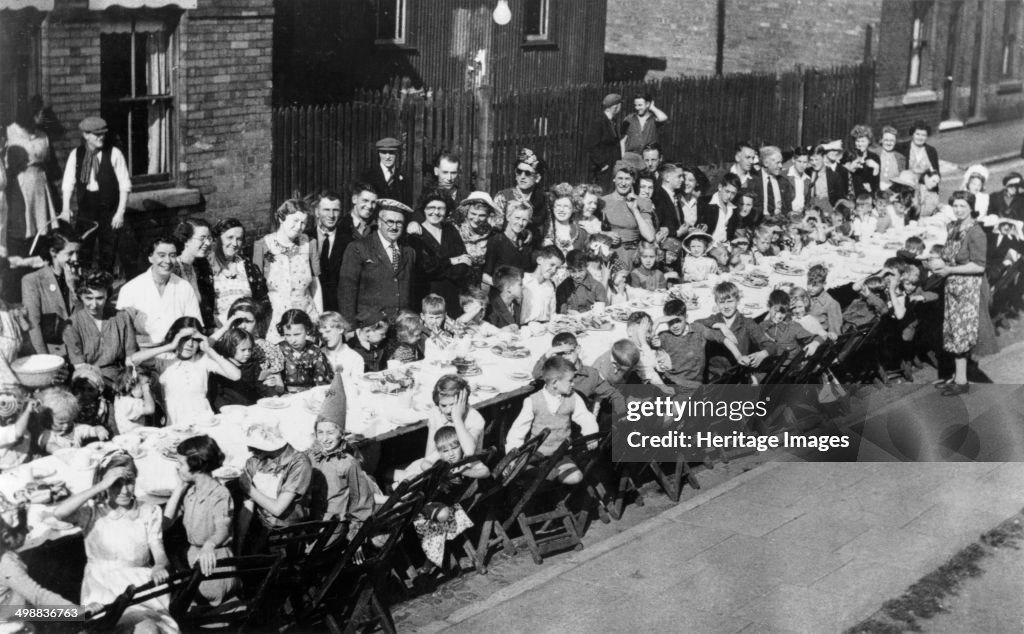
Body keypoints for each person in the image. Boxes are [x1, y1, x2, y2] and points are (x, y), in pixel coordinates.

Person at [52, 450, 177, 632]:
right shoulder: (92, 512)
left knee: (147, 628)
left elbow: (159, 553)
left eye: (130, 482)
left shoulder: (148, 511)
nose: (125, 490)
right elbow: (59, 513)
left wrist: (159, 565)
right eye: (117, 484)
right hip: (102, 586)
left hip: (139, 584)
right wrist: (101, 486)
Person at [931, 191, 997, 396]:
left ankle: (961, 381)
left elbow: (978, 266)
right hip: (954, 288)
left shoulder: (976, 232)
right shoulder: (954, 227)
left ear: (971, 207)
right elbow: (949, 254)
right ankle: (957, 376)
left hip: (968, 290)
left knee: (961, 334)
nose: (958, 210)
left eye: (962, 206)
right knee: (953, 332)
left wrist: (950, 270)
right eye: (955, 206)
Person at [164, 435, 237, 606]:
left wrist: (210, 544)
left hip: (213, 561)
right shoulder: (191, 491)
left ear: (196, 465)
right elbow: (165, 523)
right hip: (194, 555)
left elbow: (223, 528)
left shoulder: (219, 494)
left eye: (181, 464)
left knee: (170, 593)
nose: (178, 468)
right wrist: (179, 487)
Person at [130, 316, 241, 427]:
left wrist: (209, 350)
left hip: (203, 421)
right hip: (176, 423)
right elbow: (132, 360)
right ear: (175, 337)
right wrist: (170, 345)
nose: (190, 344)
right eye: (184, 338)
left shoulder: (202, 360)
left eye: (195, 340)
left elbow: (236, 375)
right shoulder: (165, 359)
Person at [61, 116, 136, 278]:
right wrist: (65, 208)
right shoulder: (77, 154)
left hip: (109, 210)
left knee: (107, 250)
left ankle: (105, 287)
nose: (101, 138)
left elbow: (125, 185)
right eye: (96, 135)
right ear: (86, 135)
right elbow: (68, 183)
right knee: (83, 249)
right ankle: (84, 286)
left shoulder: (114, 153)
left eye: (103, 134)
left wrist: (120, 213)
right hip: (86, 208)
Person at [506, 356, 599, 484]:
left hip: (560, 455)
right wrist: (512, 458)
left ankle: (546, 474)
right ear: (555, 382)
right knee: (519, 471)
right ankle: (540, 473)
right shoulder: (533, 401)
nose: (573, 384)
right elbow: (517, 432)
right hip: (535, 454)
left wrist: (591, 435)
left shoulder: (573, 397)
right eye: (570, 381)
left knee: (576, 477)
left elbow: (585, 417)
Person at [338, 198, 416, 326]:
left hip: (400, 327)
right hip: (369, 328)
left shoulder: (409, 251)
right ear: (379, 223)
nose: (394, 227)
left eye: (399, 223)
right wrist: (350, 328)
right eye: (390, 222)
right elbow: (346, 292)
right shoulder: (359, 247)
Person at [254, 198, 321, 344]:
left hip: (306, 314)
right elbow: (257, 289)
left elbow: (315, 285)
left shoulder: (310, 244)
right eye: (295, 221)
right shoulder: (262, 245)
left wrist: (319, 319)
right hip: (276, 317)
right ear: (281, 218)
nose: (299, 227)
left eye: (303, 223)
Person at [237, 420, 312, 550]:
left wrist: (249, 488)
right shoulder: (255, 461)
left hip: (287, 533)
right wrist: (238, 546)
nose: (249, 450)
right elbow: (247, 507)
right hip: (261, 528)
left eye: (254, 447)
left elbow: (278, 508)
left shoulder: (299, 464)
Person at [0, 498, 77, 622]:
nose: (27, 533)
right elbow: (38, 596)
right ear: (6, 537)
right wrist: (78, 612)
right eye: (23, 530)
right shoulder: (6, 564)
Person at [116, 236, 202, 347]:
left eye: (172, 256)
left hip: (177, 353)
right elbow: (122, 333)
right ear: (150, 258)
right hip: (142, 355)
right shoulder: (130, 289)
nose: (167, 261)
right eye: (161, 255)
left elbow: (194, 325)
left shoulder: (185, 287)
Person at [306, 418, 376, 544]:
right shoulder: (313, 455)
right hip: (310, 516)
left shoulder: (348, 463)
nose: (325, 439)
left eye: (330, 433)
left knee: (308, 554)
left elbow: (360, 500)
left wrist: (355, 536)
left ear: (341, 434)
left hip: (332, 524)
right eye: (320, 432)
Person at [654, 299, 741, 394]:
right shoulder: (664, 336)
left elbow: (722, 338)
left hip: (692, 386)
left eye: (678, 321)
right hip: (670, 383)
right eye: (670, 322)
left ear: (686, 317)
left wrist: (739, 356)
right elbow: (643, 345)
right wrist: (657, 322)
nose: (675, 326)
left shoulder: (698, 329)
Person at [6, 99, 58, 257]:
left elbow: (48, 161)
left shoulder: (43, 136)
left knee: (40, 224)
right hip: (21, 184)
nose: (44, 117)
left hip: (40, 183)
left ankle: (38, 256)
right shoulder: (11, 133)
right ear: (32, 115)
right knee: (24, 223)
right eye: (41, 113)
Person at [408, 194, 476, 316]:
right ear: (424, 209)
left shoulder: (450, 230)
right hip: (427, 293)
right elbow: (424, 267)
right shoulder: (416, 233)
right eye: (431, 208)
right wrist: (451, 261)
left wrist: (440, 267)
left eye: (441, 208)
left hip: (451, 292)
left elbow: (465, 263)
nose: (436, 212)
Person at [530, 332, 626, 416]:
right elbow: (537, 374)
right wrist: (549, 353)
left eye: (568, 352)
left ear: (578, 349)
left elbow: (613, 394)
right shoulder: (554, 372)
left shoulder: (591, 375)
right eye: (560, 354)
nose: (564, 357)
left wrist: (623, 412)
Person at [699, 281, 776, 380]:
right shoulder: (714, 319)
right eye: (721, 302)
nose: (726, 306)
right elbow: (696, 323)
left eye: (730, 301)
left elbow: (771, 345)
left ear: (738, 301)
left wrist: (764, 353)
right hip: (715, 375)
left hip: (738, 373)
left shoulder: (747, 323)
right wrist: (720, 326)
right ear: (716, 303)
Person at [21, 230, 80, 354]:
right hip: (53, 353)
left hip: (80, 350)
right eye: (70, 253)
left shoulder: (79, 278)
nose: (76, 259)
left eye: (78, 253)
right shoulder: (33, 281)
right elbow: (33, 326)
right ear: (53, 252)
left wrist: (73, 289)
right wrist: (46, 360)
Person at [209, 218, 269, 326]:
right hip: (219, 333)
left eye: (239, 239)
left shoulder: (248, 268)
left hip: (246, 332)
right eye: (230, 238)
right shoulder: (207, 268)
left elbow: (263, 300)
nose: (235, 243)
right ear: (218, 239)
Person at [601, 163, 656, 267]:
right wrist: (606, 234)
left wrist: (634, 209)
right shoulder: (603, 202)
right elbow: (592, 230)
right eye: (620, 178)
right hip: (610, 254)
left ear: (633, 181)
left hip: (634, 257)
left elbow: (650, 236)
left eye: (627, 179)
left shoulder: (643, 203)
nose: (623, 183)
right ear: (614, 179)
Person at [35, 385, 108, 454]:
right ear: (49, 419)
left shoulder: (75, 429)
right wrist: (58, 450)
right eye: (61, 423)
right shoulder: (48, 435)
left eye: (69, 421)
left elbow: (90, 430)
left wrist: (99, 430)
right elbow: (49, 445)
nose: (66, 426)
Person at [494, 147, 549, 239]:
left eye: (527, 173)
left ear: (538, 178)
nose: (522, 177)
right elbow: (495, 229)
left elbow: (548, 233)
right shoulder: (503, 197)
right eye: (519, 172)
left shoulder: (543, 200)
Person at [173, 218, 216, 330]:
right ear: (186, 240)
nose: (207, 243)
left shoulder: (200, 266)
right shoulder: (173, 269)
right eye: (202, 238)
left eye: (209, 238)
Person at [274, 309, 331, 393]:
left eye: (297, 334)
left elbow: (321, 380)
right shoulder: (278, 349)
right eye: (288, 335)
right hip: (284, 396)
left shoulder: (314, 351)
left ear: (307, 330)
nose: (293, 340)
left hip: (309, 395)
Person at [308, 191, 345, 313]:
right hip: (310, 305)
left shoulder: (349, 241)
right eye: (326, 210)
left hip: (336, 308)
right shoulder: (305, 239)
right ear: (317, 212)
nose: (331, 215)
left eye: (336, 210)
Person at [209, 327, 261, 410]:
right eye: (243, 350)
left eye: (250, 349)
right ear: (231, 347)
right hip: (228, 408)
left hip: (250, 406)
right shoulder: (223, 366)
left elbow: (260, 386)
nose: (247, 353)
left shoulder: (252, 364)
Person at [484, 200, 534, 281]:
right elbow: (485, 274)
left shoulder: (526, 243)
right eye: (517, 218)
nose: (520, 223)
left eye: (524, 220)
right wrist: (501, 286)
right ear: (508, 217)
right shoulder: (496, 241)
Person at [454, 192, 498, 274]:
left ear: (488, 216)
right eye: (473, 214)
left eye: (482, 215)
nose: (476, 219)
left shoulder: (492, 232)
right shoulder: (456, 230)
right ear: (466, 212)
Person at [586, 93, 623, 191]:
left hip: (612, 164)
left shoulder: (612, 121)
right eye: (620, 105)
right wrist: (603, 164)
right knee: (604, 191)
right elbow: (592, 146)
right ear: (615, 107)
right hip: (604, 167)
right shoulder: (599, 121)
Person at [521, 246, 563, 324]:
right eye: (552, 265)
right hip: (525, 328)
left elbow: (552, 314)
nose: (554, 270)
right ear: (539, 260)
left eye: (557, 268)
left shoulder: (550, 286)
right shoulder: (523, 281)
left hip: (544, 328)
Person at [544, 183, 589, 256]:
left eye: (566, 206)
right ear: (553, 207)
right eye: (558, 206)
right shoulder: (545, 230)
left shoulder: (581, 233)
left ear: (573, 208)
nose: (561, 210)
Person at [360, 136, 408, 204]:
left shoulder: (404, 177)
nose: (387, 157)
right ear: (379, 154)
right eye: (384, 152)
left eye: (391, 152)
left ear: (397, 154)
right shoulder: (368, 176)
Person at [749, 146, 793, 220]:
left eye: (781, 162)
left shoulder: (784, 183)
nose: (781, 166)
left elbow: (788, 209)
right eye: (777, 163)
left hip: (780, 223)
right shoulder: (753, 181)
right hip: (760, 224)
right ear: (766, 163)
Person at [696, 173, 740, 244]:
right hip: (707, 246)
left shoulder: (733, 209)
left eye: (733, 193)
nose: (729, 196)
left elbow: (730, 234)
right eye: (727, 191)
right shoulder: (704, 203)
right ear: (720, 187)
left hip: (725, 247)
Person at [337, 182, 378, 256]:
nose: (369, 206)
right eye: (365, 200)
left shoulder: (378, 228)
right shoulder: (340, 225)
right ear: (354, 199)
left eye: (373, 202)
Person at [318, 311, 363, 379]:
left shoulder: (354, 358)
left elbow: (357, 385)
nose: (324, 336)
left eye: (328, 331)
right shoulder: (317, 355)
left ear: (340, 329)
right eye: (321, 334)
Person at [806, 264, 842, 339]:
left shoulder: (831, 304)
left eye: (815, 285)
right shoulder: (806, 296)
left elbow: (835, 334)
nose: (810, 288)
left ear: (824, 284)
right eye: (809, 284)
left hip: (816, 338)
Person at [113, 369, 154, 434]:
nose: (148, 387)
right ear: (131, 386)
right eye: (142, 386)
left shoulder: (120, 399)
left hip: (128, 436)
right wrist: (146, 390)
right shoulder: (129, 403)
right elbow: (150, 409)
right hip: (135, 436)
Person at [847, 125, 881, 196]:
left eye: (863, 141)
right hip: (852, 195)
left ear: (869, 142)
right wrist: (850, 168)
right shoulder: (849, 156)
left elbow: (876, 186)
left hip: (868, 195)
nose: (860, 144)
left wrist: (876, 168)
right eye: (857, 141)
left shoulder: (874, 157)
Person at [877, 126, 907, 191]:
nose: (889, 143)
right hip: (876, 189)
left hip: (892, 191)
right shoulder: (876, 154)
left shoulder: (901, 158)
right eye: (886, 140)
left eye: (892, 140)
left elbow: (902, 179)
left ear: (895, 142)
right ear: (881, 140)